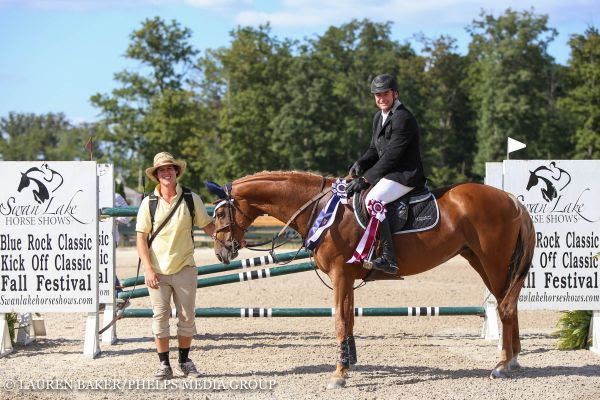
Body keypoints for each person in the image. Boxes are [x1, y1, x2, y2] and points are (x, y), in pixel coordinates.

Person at [136, 152, 215, 380]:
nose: (167, 172)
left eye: (170, 168)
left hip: (184, 267)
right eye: (162, 170)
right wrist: (148, 269)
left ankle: (184, 361)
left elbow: (207, 225)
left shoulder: (191, 198)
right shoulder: (148, 203)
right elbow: (141, 238)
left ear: (176, 172)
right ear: (156, 175)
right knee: (159, 318)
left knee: (186, 318)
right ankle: (164, 365)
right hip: (157, 271)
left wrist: (226, 239)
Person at [345, 74, 426, 275]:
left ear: (395, 93)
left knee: (373, 199)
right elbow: (375, 149)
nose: (381, 98)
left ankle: (389, 258)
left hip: (405, 174)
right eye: (377, 95)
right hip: (389, 174)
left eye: (385, 94)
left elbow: (392, 156)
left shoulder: (403, 118)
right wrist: (361, 163)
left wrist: (366, 179)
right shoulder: (379, 117)